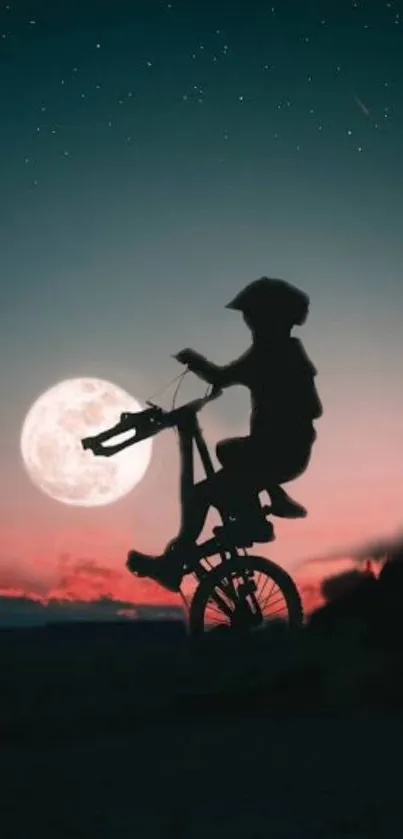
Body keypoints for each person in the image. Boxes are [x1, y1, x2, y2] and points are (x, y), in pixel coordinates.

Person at [127, 276, 323, 591]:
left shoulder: (274, 354)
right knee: (225, 460)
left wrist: (196, 363)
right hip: (283, 451)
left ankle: (242, 526)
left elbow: (224, 378)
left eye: (252, 315)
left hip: (281, 451)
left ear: (270, 317)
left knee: (206, 489)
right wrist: (201, 367)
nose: (248, 321)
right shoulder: (276, 352)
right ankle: (254, 512)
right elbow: (224, 378)